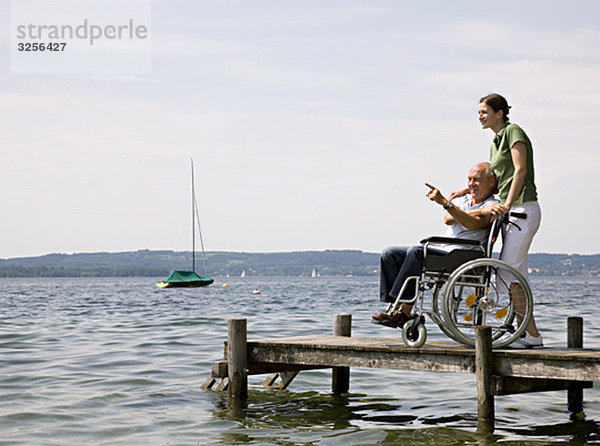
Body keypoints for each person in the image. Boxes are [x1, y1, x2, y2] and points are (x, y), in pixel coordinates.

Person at [450, 93, 542, 349]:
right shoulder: (495, 141)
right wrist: (465, 191)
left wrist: (508, 203)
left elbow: (520, 170)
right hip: (513, 212)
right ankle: (529, 333)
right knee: (515, 274)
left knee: (507, 273)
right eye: (478, 112)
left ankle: (530, 334)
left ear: (499, 113)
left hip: (523, 209)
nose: (480, 116)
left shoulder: (514, 132)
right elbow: (497, 179)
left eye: (484, 111)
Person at [372, 162, 499, 328]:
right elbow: (448, 219)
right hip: (446, 250)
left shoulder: (492, 205)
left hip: (465, 255)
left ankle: (403, 310)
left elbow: (472, 225)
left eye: (476, 180)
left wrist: (450, 205)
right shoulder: (468, 200)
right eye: (469, 179)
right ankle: (395, 306)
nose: (470, 184)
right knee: (390, 253)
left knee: (417, 251)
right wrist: (476, 211)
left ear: (491, 181)